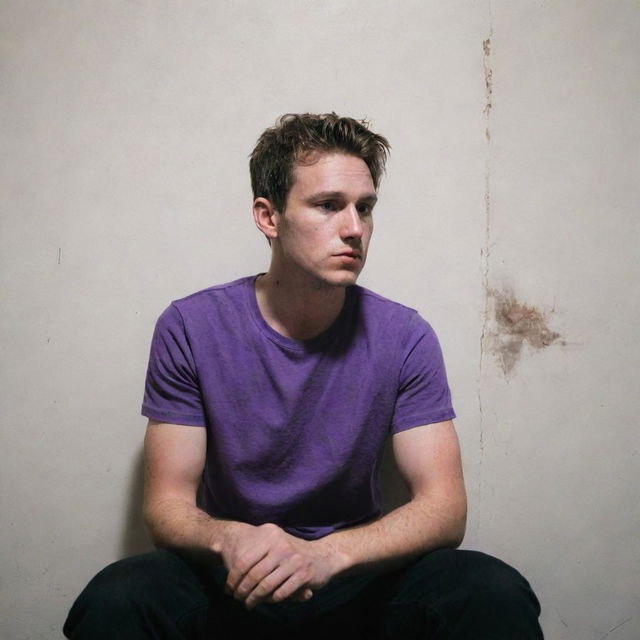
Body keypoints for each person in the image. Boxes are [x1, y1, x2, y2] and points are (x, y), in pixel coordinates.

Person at [64, 113, 543, 639]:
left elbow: (444, 508)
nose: (355, 228)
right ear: (268, 217)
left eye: (365, 208)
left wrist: (327, 555)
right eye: (328, 205)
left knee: (490, 589)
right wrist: (233, 541)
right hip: (236, 581)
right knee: (120, 597)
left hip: (353, 580)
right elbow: (166, 505)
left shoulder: (404, 335)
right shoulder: (191, 326)